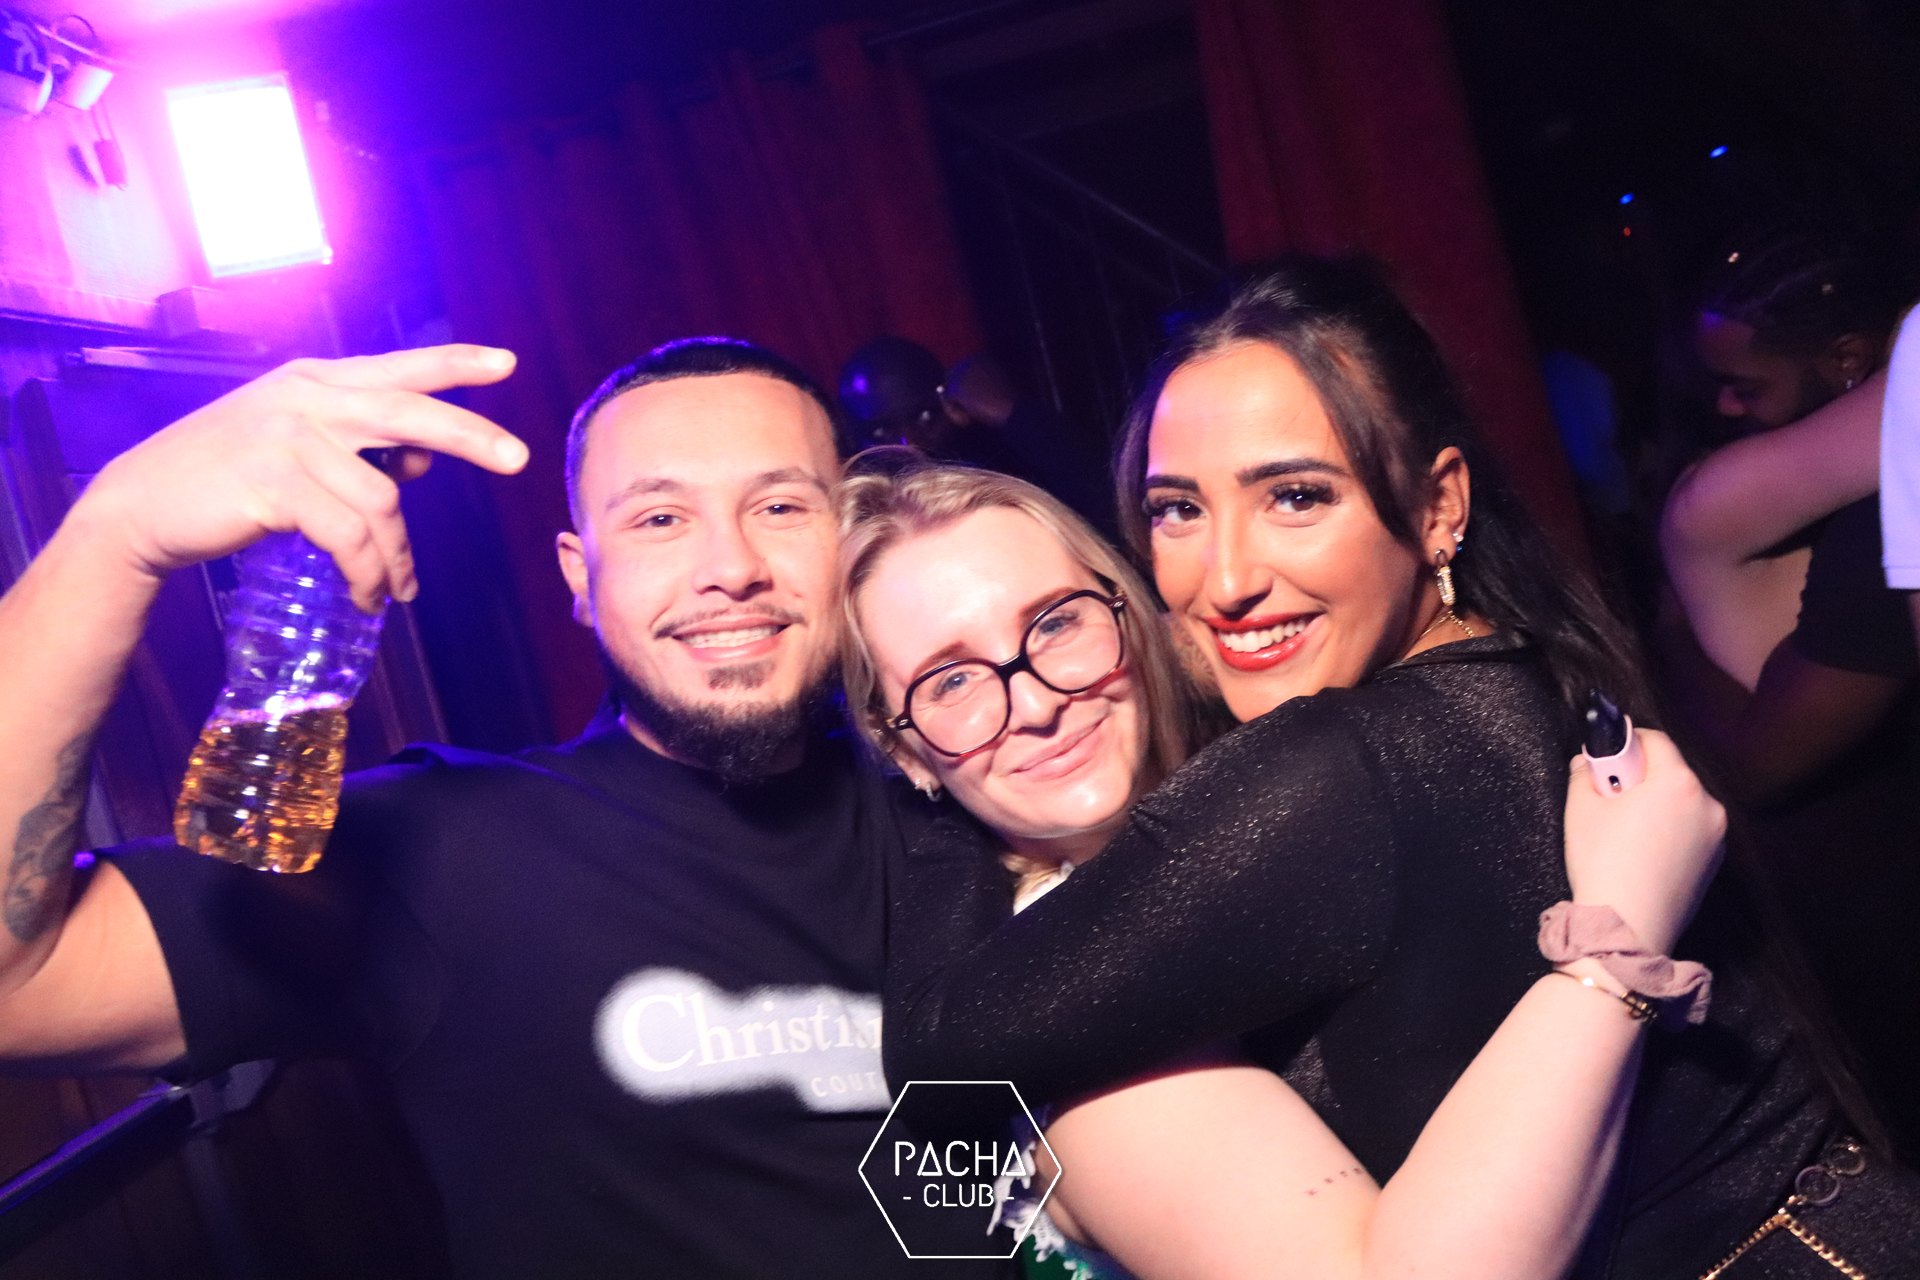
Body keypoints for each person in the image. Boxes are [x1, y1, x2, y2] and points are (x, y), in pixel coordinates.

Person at [881, 257, 1920, 1278]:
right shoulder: (1515, 672)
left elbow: (938, 1050)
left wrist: (920, 777)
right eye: (1178, 510)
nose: (1226, 579)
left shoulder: (1338, 768)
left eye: (1295, 496)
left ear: (1438, 508)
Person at [0, 339, 1006, 1279]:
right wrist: (115, 533)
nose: (731, 567)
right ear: (580, 577)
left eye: (781, 507)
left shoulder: (985, 791)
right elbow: (17, 986)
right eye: (659, 519)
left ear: (850, 542)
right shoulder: (448, 851)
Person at [837, 457, 1725, 1278]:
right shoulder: (1062, 1015)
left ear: (1129, 612)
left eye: (1056, 622)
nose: (1034, 702)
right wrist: (1619, 935)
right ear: (903, 750)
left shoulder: (1264, 797)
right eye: (950, 682)